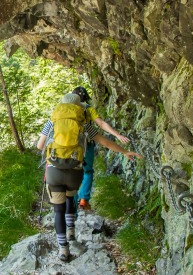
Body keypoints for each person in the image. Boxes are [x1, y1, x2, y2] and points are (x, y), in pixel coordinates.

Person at [37, 93, 142, 262]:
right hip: (74, 171)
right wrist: (125, 152)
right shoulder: (84, 124)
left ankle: (64, 250)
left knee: (58, 210)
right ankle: (71, 231)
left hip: (54, 172)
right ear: (79, 107)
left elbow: (39, 145)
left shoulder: (52, 121)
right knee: (70, 199)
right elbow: (104, 141)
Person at [71, 86, 130, 211]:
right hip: (87, 144)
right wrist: (117, 135)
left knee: (73, 173)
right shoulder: (88, 109)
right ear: (86, 97)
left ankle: (73, 201)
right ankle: (84, 200)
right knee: (87, 171)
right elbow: (101, 123)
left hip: (70, 146)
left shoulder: (66, 111)